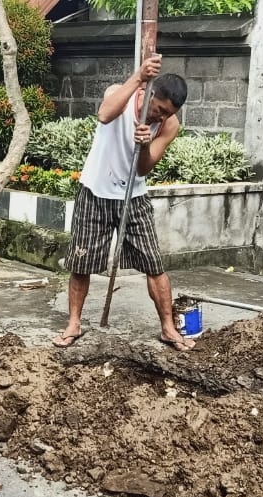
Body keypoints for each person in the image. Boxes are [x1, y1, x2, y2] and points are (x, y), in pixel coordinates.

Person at [51, 55, 195, 352]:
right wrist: (139, 76)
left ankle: (168, 328)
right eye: (160, 109)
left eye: (169, 114)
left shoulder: (169, 125)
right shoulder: (121, 94)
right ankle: (74, 324)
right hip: (95, 191)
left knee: (154, 264)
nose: (162, 117)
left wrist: (143, 147)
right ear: (150, 93)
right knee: (82, 263)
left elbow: (144, 168)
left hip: (134, 195)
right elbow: (104, 114)